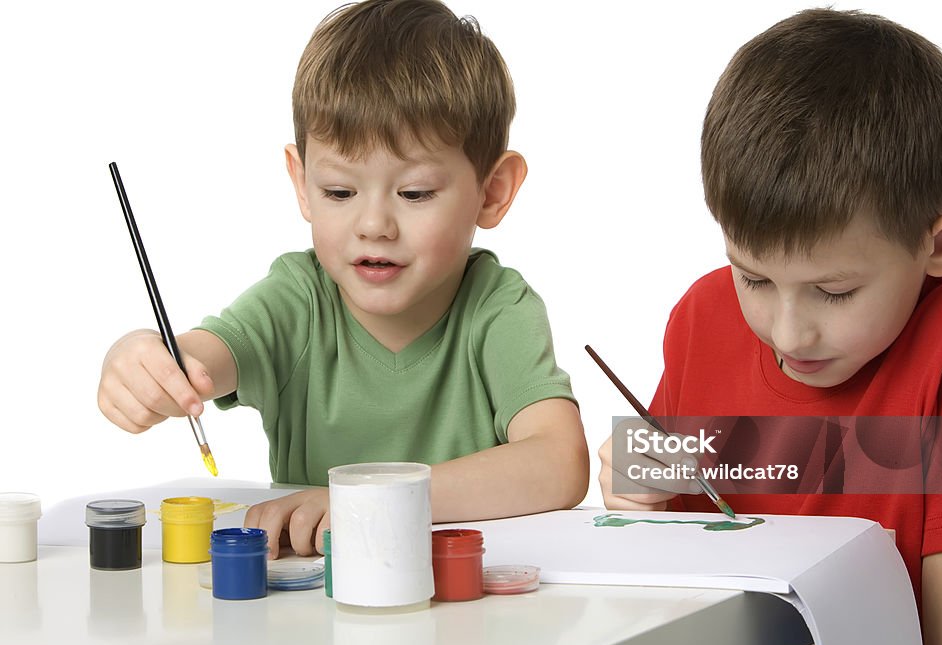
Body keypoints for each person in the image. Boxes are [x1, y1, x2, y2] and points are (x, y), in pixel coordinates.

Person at [598, 9, 942, 645]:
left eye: (835, 291)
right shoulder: (702, 313)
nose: (789, 332)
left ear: (940, 245)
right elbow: (662, 560)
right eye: (755, 277)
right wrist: (636, 488)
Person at [98, 0, 587, 560]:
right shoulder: (298, 299)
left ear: (493, 191)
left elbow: (559, 462)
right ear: (301, 184)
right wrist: (149, 361)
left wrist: (373, 499)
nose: (374, 225)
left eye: (415, 193)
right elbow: (201, 358)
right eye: (339, 192)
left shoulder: (497, 307)